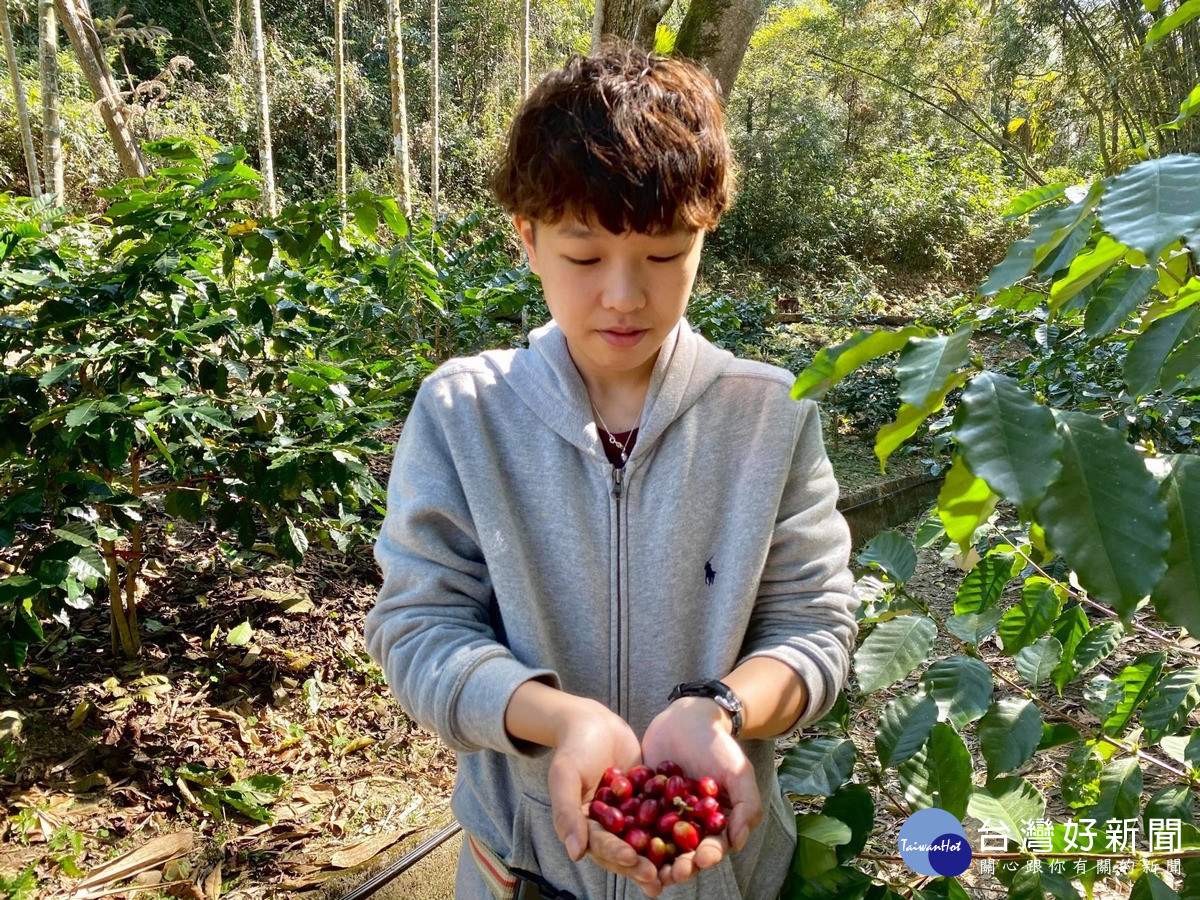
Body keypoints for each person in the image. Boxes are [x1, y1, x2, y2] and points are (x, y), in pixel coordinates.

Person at [365, 44, 859, 900]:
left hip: (725, 875)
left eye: (664, 255)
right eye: (585, 258)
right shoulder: (463, 414)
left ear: (704, 234)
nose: (625, 296)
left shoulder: (774, 416)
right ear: (527, 238)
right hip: (519, 870)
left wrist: (721, 708)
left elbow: (816, 625)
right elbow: (418, 628)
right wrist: (560, 720)